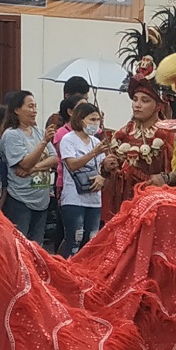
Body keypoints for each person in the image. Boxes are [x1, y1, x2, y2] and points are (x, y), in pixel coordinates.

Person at [101, 67, 176, 217]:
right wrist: (106, 167)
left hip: (155, 207)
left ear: (159, 106)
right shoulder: (122, 134)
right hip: (122, 208)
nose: (137, 105)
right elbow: (109, 175)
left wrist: (167, 178)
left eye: (145, 100)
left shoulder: (170, 135)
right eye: (135, 99)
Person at [0, 90, 55, 246]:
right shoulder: (12, 135)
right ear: (17, 110)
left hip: (42, 199)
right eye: (30, 106)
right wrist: (43, 142)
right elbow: (24, 164)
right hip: (20, 199)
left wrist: (34, 168)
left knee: (37, 246)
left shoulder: (38, 132)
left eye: (35, 107)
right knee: (20, 245)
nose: (34, 111)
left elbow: (55, 158)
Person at [56, 101, 107, 255]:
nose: (95, 123)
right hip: (74, 198)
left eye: (97, 120)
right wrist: (93, 153)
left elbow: (103, 167)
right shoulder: (68, 139)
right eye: (92, 119)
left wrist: (102, 177)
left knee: (91, 239)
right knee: (74, 238)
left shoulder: (96, 142)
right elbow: (71, 165)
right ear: (80, 119)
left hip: (94, 199)